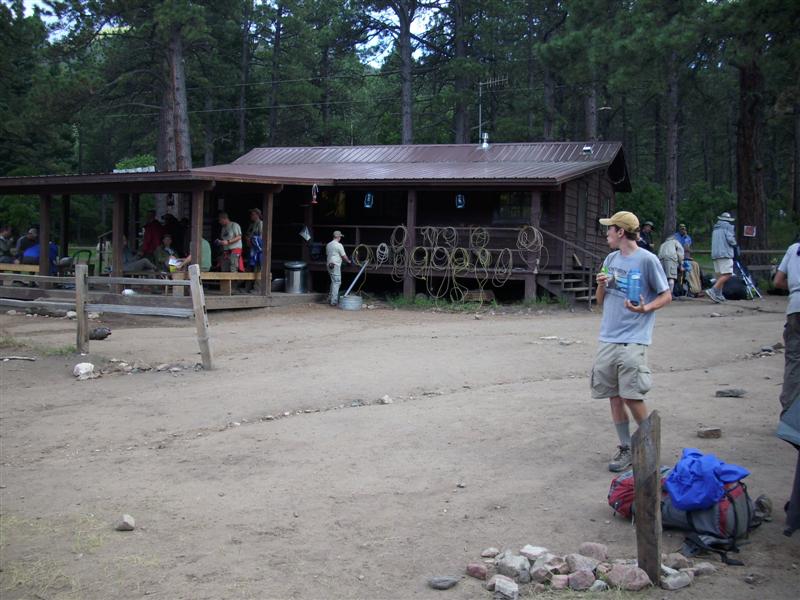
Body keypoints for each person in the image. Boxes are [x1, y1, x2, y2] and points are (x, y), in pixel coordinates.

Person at [594, 211, 672, 472]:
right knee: (614, 395)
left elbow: (666, 295)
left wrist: (645, 308)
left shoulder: (647, 260)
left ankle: (650, 447)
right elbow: (599, 301)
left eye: (609, 229)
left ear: (620, 232)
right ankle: (626, 447)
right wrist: (601, 284)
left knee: (631, 395)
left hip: (634, 338)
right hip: (608, 336)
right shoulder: (610, 259)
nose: (606, 233)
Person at [774, 242, 800, 537]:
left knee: (794, 364)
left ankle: (790, 417)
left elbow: (778, 281)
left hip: (795, 308)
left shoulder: (794, 248)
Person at [706, 212, 737, 303]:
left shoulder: (715, 228)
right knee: (728, 274)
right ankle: (713, 290)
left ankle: (719, 295)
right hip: (725, 253)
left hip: (715, 254)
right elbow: (731, 240)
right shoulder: (728, 227)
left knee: (720, 276)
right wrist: (735, 244)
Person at [326, 230, 351, 306]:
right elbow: (343, 256)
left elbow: (328, 254)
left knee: (333, 282)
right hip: (335, 265)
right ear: (338, 237)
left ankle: (330, 298)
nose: (340, 238)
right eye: (340, 236)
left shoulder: (328, 244)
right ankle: (334, 301)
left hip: (329, 264)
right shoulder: (339, 245)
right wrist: (348, 261)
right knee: (337, 282)